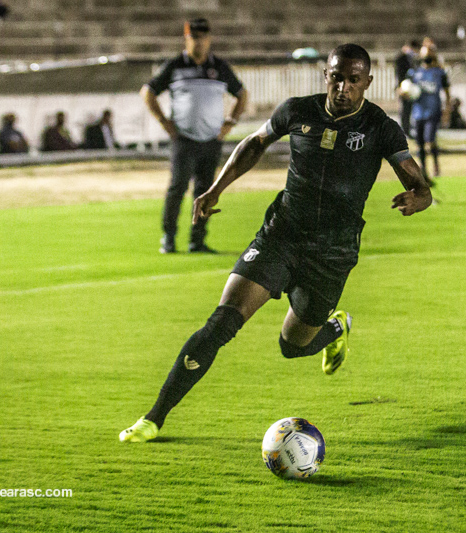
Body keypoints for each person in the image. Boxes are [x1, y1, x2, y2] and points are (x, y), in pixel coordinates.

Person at [119, 43, 432, 443]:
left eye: (354, 81)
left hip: (332, 252)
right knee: (222, 321)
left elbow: (420, 185)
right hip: (281, 234)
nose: (343, 88)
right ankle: (153, 418)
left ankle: (335, 330)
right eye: (337, 78)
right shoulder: (298, 110)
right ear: (326, 76)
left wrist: (417, 199)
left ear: (367, 83)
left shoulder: (380, 127)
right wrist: (216, 189)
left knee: (293, 346)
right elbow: (254, 143)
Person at [141, 17, 248, 255]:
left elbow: (242, 94)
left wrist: (229, 122)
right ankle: (168, 237)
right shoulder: (176, 65)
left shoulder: (219, 67)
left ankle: (197, 240)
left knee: (206, 191)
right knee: (177, 188)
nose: (198, 43)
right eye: (193, 38)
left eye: (202, 38)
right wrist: (163, 121)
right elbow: (148, 92)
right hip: (185, 140)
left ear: (209, 39)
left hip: (211, 140)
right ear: (186, 39)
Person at [406, 44, 449, 183]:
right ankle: (423, 169)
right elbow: (404, 89)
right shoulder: (414, 73)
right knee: (420, 143)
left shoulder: (439, 73)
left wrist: (447, 110)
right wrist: (405, 92)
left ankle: (436, 164)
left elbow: (447, 92)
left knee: (430, 140)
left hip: (433, 111)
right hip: (418, 112)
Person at [394, 40, 420, 138]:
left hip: (412, 87)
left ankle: (409, 129)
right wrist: (399, 87)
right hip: (404, 87)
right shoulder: (401, 58)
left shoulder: (413, 59)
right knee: (405, 109)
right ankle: (404, 130)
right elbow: (398, 74)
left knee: (410, 109)